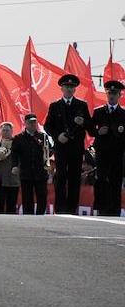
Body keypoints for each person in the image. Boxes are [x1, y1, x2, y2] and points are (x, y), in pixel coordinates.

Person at [45, 74, 91, 216]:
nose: (69, 89)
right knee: (61, 176)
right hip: (61, 147)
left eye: (72, 87)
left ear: (75, 89)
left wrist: (82, 122)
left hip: (76, 148)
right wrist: (57, 136)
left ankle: (72, 208)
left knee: (74, 177)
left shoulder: (82, 105)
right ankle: (60, 207)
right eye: (67, 86)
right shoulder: (55, 105)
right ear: (62, 88)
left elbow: (90, 126)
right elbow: (47, 126)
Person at [89, 79, 125, 217]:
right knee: (101, 180)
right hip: (102, 153)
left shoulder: (123, 114)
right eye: (109, 93)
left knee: (115, 181)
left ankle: (114, 209)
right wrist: (98, 132)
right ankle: (101, 207)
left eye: (114, 93)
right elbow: (90, 129)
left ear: (119, 95)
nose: (111, 96)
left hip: (117, 153)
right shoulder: (99, 112)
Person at [11, 114, 52, 215]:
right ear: (25, 123)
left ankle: (40, 215)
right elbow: (14, 154)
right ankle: (28, 216)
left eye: (34, 122)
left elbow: (50, 151)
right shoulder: (19, 138)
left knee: (42, 195)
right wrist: (14, 166)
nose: (33, 124)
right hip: (26, 172)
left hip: (41, 172)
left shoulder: (43, 136)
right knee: (27, 196)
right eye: (30, 122)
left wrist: (48, 152)